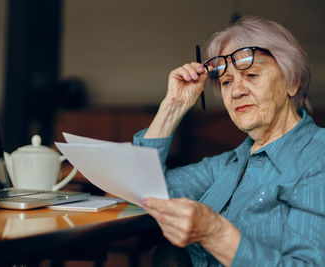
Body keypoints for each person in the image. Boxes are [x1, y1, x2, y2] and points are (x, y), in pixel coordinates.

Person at [133, 16, 325, 266]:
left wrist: (214, 233)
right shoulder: (229, 164)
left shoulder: (316, 157)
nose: (236, 91)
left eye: (252, 75)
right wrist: (172, 107)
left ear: (292, 81)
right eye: (226, 81)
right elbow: (141, 190)